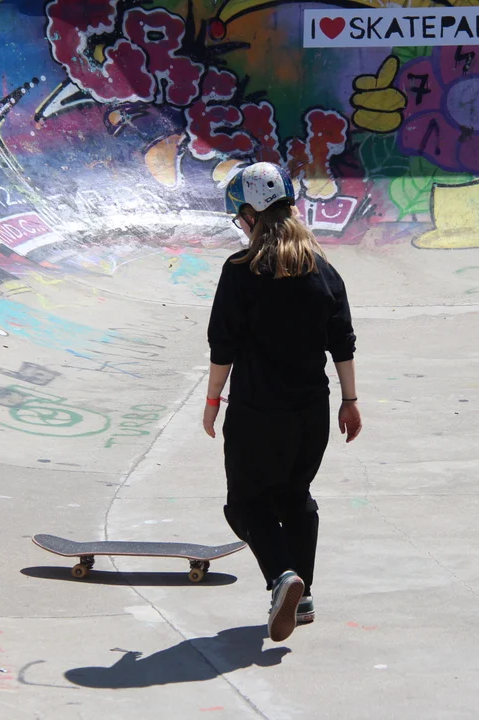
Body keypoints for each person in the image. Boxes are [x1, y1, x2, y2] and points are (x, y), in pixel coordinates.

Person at [202, 162, 362, 643]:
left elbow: (222, 346)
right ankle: (304, 594)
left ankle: (282, 577)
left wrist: (212, 402)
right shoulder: (323, 271)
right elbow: (344, 343)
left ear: (250, 215)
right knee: (296, 499)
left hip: (256, 414)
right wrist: (350, 402)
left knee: (245, 506)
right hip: (311, 413)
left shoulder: (240, 271)